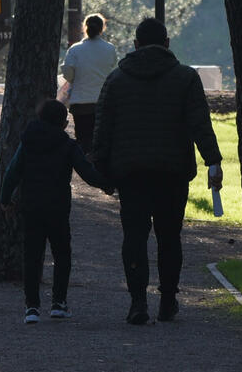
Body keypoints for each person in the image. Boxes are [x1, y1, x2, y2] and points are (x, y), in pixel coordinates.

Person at [91, 17, 222, 325]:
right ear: (167, 44)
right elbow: (200, 124)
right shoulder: (185, 78)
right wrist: (212, 161)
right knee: (169, 237)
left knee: (134, 236)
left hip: (131, 172)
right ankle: (167, 300)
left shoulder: (116, 80)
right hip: (172, 170)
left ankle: (138, 301)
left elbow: (103, 130)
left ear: (135, 45)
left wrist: (103, 172)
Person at [0, 98, 114, 324]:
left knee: (32, 256)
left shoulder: (28, 141)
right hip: (58, 207)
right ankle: (59, 303)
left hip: (31, 205)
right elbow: (87, 173)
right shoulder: (67, 145)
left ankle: (31, 307)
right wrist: (108, 184)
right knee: (62, 254)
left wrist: (5, 199)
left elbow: (13, 171)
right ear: (62, 122)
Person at [59, 13, 117, 156]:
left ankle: (85, 166)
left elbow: (68, 73)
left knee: (83, 140)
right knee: (101, 139)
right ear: (102, 28)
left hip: (80, 103)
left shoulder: (75, 49)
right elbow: (113, 71)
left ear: (85, 28)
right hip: (103, 103)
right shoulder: (110, 49)